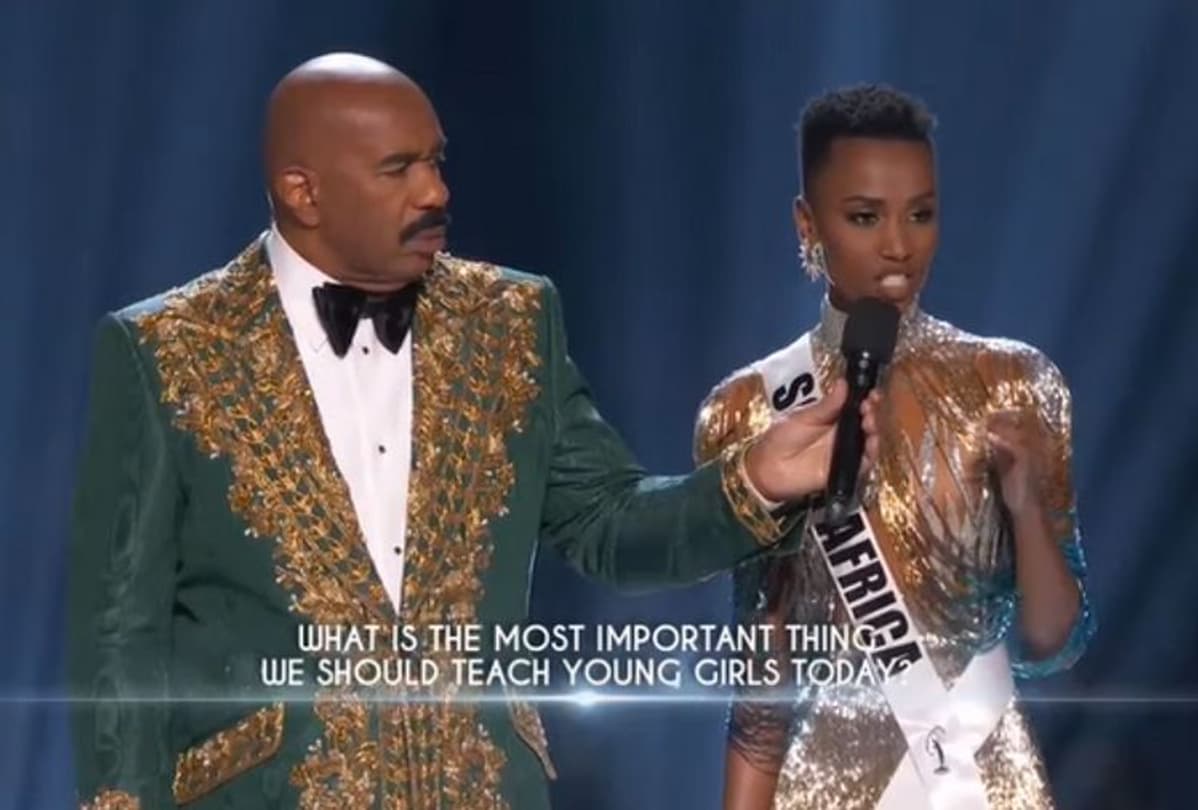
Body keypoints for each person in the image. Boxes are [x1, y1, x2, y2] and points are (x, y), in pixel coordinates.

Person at [66, 54, 881, 810]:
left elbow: (606, 523)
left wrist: (752, 482)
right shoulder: (166, 351)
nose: (436, 192)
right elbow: (117, 640)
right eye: (399, 169)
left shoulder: (511, 320)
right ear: (302, 193)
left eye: (437, 161)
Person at [697, 85, 1095, 809]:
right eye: (864, 217)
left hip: (979, 785)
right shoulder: (749, 411)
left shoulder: (1012, 385)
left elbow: (1052, 641)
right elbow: (761, 692)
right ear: (807, 223)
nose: (899, 246)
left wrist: (1026, 507)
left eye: (921, 214)